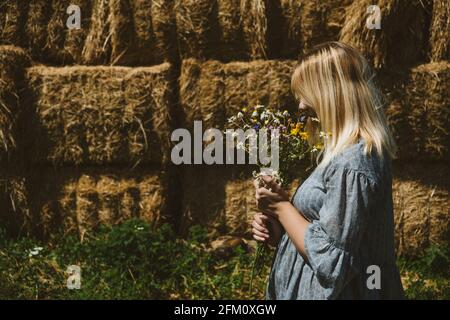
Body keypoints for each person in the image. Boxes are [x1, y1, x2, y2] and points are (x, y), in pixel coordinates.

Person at [252, 42, 404, 299]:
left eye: (306, 94)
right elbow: (329, 238)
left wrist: (282, 207)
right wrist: (281, 233)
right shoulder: (340, 156)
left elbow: (331, 262)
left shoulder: (354, 163)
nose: (300, 106)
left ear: (331, 94)